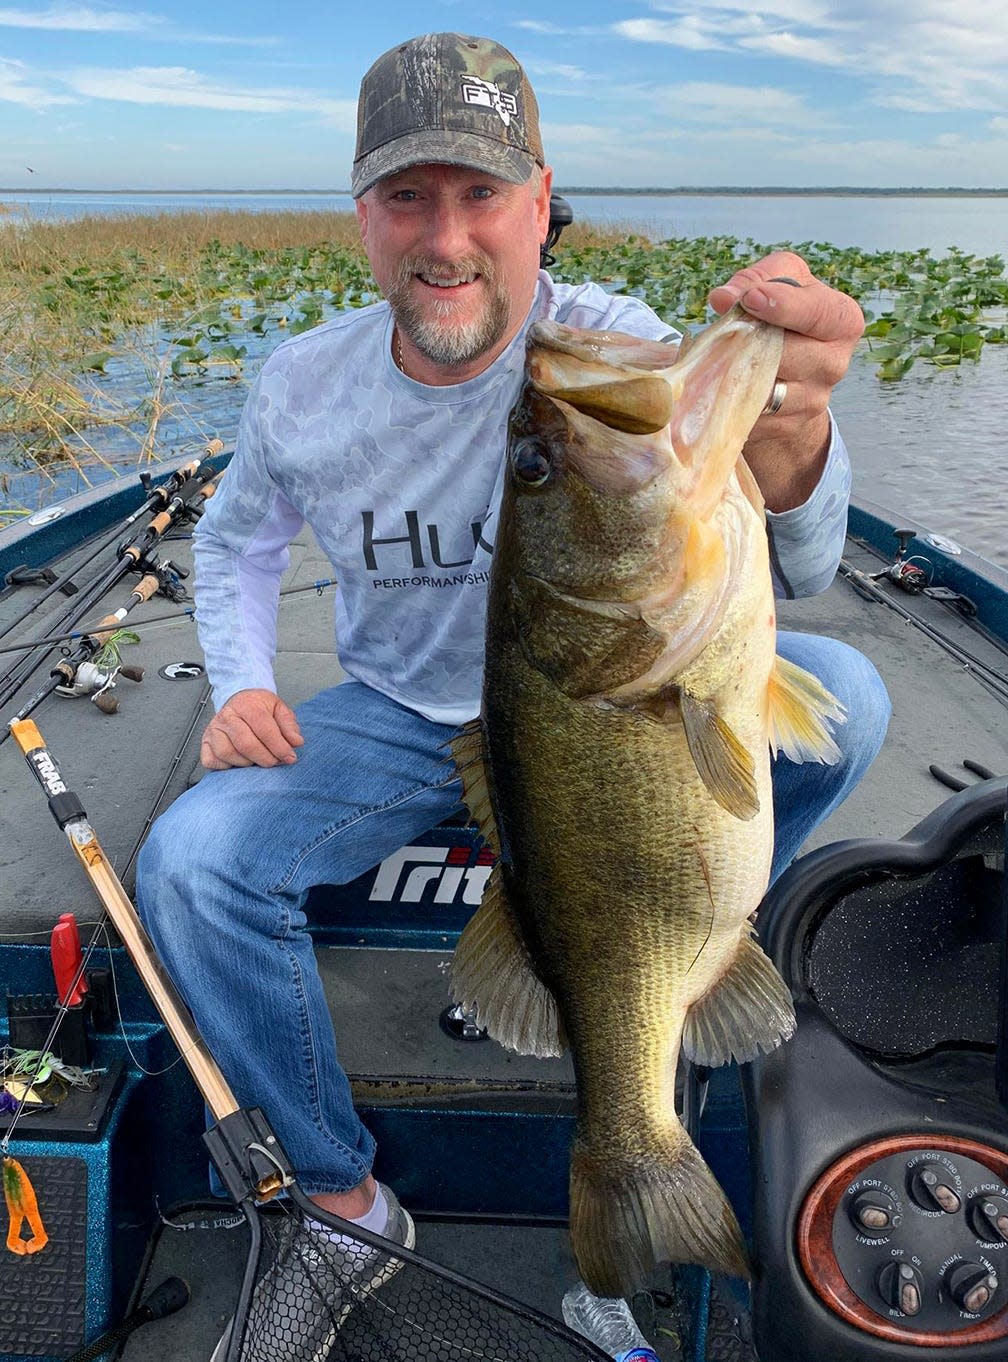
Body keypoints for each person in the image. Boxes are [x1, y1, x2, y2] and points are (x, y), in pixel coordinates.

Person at [136, 30, 889, 1358]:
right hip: (398, 720)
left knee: (849, 692)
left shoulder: (612, 356)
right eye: (409, 198)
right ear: (361, 218)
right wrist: (243, 679)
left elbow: (810, 559)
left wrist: (800, 424)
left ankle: (685, 947)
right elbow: (237, 538)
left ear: (543, 200)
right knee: (193, 861)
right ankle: (342, 1199)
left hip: (595, 724)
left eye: (482, 194)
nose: (447, 238)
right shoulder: (302, 382)